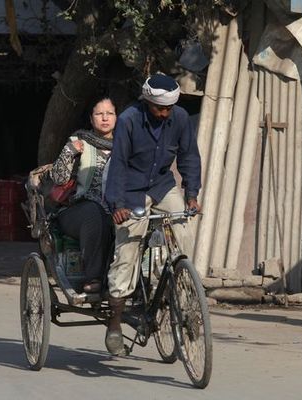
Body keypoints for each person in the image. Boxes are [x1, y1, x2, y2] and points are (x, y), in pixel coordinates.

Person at [104, 73, 202, 356]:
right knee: (127, 251)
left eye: (169, 108)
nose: (164, 113)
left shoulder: (180, 118)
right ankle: (114, 324)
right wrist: (117, 204)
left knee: (184, 234)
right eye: (160, 108)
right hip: (132, 191)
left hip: (162, 186)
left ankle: (182, 300)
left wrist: (192, 194)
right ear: (147, 102)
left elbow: (189, 157)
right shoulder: (129, 120)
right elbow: (119, 164)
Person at [50, 96, 116, 294]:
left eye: (110, 113)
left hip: (116, 207)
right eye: (99, 114)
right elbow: (59, 179)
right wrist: (70, 152)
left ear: (116, 117)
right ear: (91, 118)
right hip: (77, 210)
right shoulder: (79, 142)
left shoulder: (126, 144)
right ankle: (93, 276)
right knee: (93, 213)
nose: (105, 118)